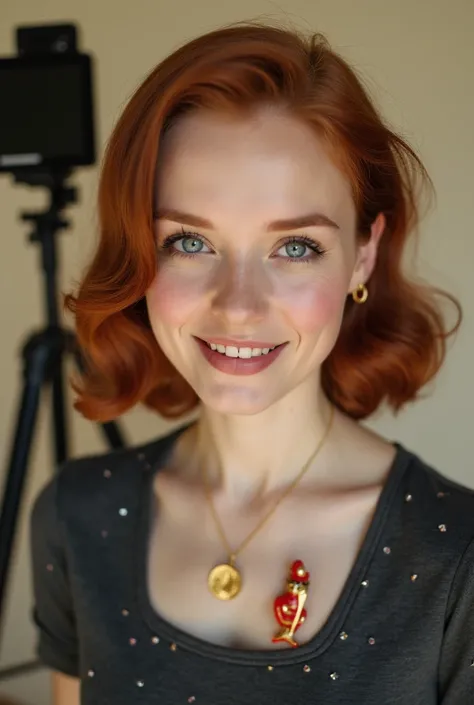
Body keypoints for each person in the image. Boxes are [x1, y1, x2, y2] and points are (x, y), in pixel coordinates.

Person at [29, 21, 473, 705]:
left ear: (362, 252)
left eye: (295, 247)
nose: (238, 305)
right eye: (189, 241)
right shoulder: (76, 516)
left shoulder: (455, 558)